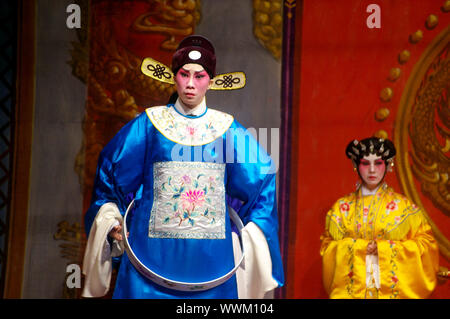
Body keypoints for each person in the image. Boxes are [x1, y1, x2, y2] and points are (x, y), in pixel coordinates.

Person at [81, 35, 284, 299]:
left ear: (211, 81)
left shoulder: (226, 130)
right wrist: (111, 218)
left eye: (199, 76)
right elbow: (110, 172)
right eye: (183, 74)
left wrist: (251, 233)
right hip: (148, 266)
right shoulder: (151, 124)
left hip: (212, 270)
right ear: (172, 75)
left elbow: (261, 180)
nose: (190, 84)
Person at [320, 137, 439, 299]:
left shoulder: (404, 208)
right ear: (356, 165)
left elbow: (426, 246)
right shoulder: (341, 209)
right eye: (365, 163)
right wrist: (359, 248)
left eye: (378, 163)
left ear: (388, 165)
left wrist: (384, 249)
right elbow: (327, 249)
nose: (372, 170)